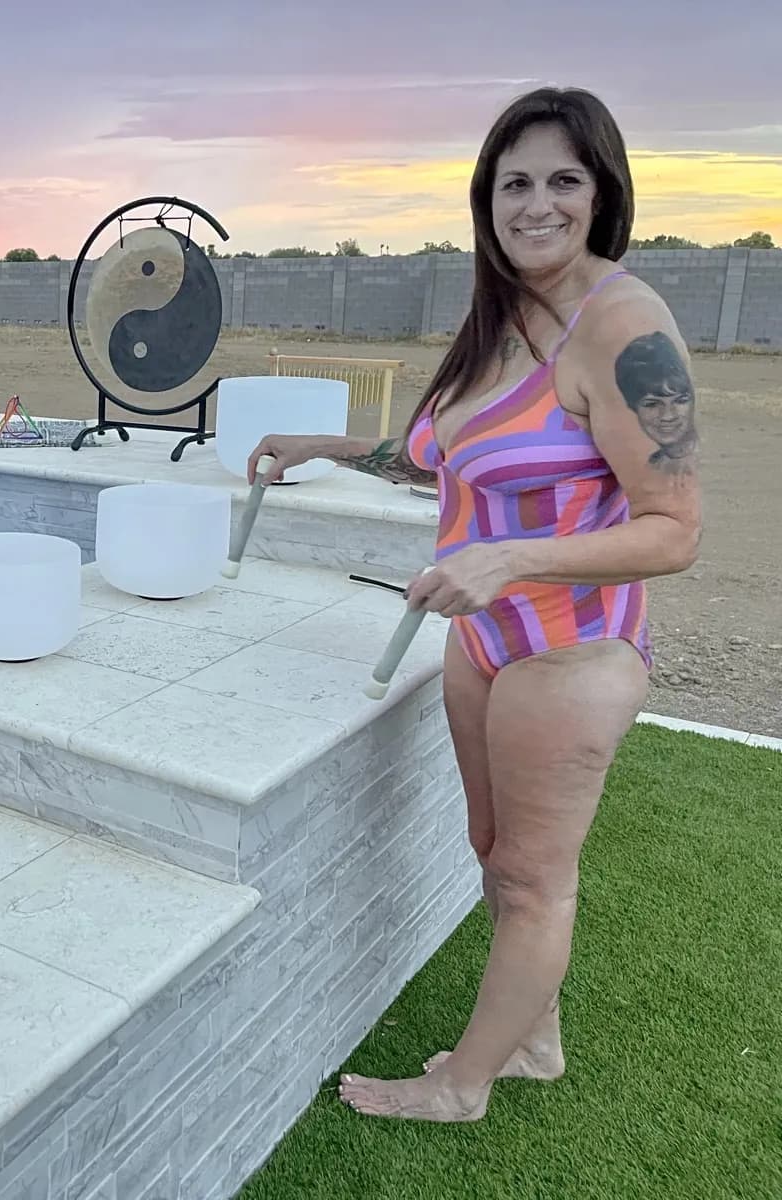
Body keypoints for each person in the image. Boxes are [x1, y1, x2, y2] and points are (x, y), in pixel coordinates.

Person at [247, 85, 703, 1123]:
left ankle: (462, 1086)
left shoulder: (624, 326)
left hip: (571, 652)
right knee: (492, 855)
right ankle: (531, 1037)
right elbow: (439, 462)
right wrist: (322, 448)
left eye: (561, 180)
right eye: (514, 182)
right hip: (483, 642)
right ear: (483, 197)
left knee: (535, 879)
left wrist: (509, 562)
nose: (534, 204)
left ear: (601, 194)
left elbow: (672, 529)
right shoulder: (500, 317)